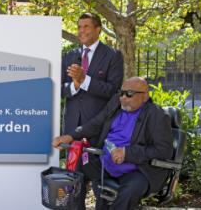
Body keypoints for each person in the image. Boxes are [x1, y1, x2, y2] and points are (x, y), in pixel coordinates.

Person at [54, 77, 174, 210]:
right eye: (121, 92)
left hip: (138, 169)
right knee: (79, 166)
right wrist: (70, 136)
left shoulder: (157, 115)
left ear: (145, 96)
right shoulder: (116, 105)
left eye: (129, 93)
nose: (123, 97)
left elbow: (164, 150)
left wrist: (127, 152)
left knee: (129, 191)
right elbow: (95, 124)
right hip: (105, 161)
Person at [61, 12, 124, 209]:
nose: (82, 31)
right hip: (73, 127)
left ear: (98, 29)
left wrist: (85, 80)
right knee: (74, 180)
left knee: (99, 181)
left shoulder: (113, 56)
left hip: (99, 127)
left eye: (86, 27)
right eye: (79, 27)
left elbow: (113, 91)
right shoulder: (70, 56)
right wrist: (75, 85)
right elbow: (60, 88)